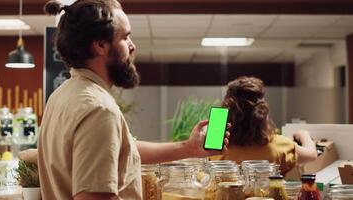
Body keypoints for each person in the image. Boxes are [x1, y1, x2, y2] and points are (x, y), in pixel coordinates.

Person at [39, 1, 230, 199]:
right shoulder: (99, 110)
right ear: (100, 45)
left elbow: (120, 149)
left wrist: (188, 148)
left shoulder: (62, 95)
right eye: (125, 37)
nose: (132, 46)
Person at [217, 76, 317, 175]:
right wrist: (304, 135)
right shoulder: (278, 145)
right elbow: (311, 154)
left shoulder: (216, 145)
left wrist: (218, 125)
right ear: (263, 114)